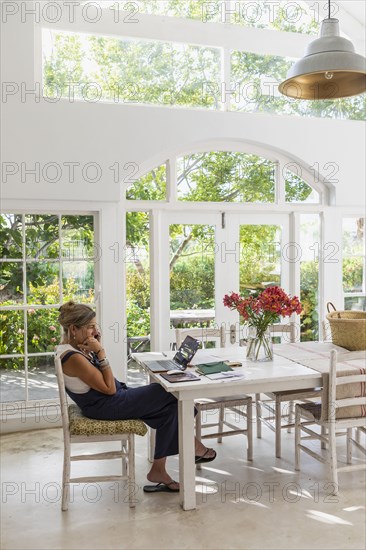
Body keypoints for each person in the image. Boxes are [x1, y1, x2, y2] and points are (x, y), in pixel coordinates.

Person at [56, 301, 216, 493]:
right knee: (164, 391)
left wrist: (95, 348)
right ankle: (194, 445)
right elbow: (109, 389)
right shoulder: (73, 358)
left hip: (108, 400)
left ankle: (158, 470)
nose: (94, 331)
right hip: (106, 405)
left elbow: (105, 383)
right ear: (74, 328)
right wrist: (100, 352)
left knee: (172, 409)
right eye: (90, 327)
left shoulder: (71, 349)